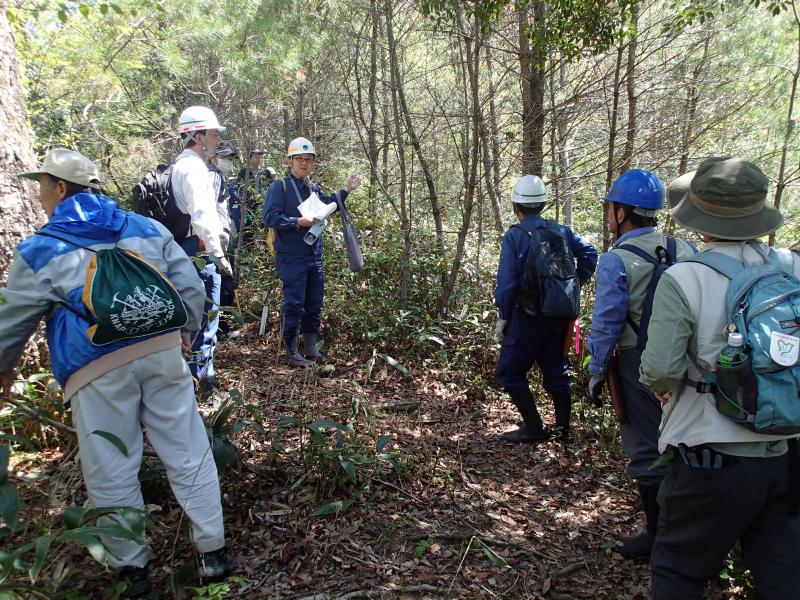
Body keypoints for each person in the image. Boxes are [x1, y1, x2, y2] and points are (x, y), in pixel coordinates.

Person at [0, 148, 235, 597]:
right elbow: (188, 285)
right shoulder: (145, 227)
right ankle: (213, 553)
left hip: (95, 367)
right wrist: (184, 329)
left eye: (44, 184)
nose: (41, 193)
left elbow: (11, 324)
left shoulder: (39, 248)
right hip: (162, 351)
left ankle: (132, 571)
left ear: (61, 187)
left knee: (112, 464)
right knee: (187, 448)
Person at [639, 157, 800, 599]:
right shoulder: (790, 266)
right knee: (784, 573)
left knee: (679, 569)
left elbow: (659, 370)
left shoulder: (684, 277)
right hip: (785, 450)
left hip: (710, 456)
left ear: (700, 218)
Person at [586, 169, 695, 559]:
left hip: (636, 364)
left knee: (647, 449)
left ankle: (657, 537)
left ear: (620, 212)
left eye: (611, 208)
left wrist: (596, 373)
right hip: (689, 363)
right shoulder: (685, 250)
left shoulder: (617, 260)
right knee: (686, 442)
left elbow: (607, 323)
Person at [495, 175, 598, 443]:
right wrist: (572, 284)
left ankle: (533, 427)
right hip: (559, 315)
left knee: (509, 370)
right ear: (542, 204)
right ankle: (563, 430)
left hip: (527, 316)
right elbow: (590, 253)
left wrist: (503, 317)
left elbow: (507, 284)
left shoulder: (515, 236)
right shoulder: (560, 230)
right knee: (556, 368)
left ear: (516, 205)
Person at [263, 137, 360, 366]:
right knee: (294, 303)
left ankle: (309, 349)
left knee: (313, 303)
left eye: (308, 160)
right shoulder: (280, 187)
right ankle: (290, 350)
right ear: (290, 161)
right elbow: (269, 218)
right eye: (299, 159)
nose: (304, 164)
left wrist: (346, 190)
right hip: (291, 256)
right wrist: (298, 221)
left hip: (313, 255)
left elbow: (327, 206)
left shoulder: (312, 187)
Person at [171, 106, 231, 392]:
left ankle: (191, 377)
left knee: (189, 314)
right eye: (213, 134)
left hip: (180, 249)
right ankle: (202, 380)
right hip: (198, 251)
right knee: (205, 313)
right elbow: (203, 216)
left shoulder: (178, 166)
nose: (216, 139)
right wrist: (218, 255)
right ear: (197, 135)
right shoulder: (193, 168)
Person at [208, 141, 239, 339]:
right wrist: (218, 237)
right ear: (213, 156)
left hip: (219, 237)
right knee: (222, 284)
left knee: (223, 283)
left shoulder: (216, 175)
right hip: (216, 240)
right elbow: (208, 206)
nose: (227, 162)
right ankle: (220, 330)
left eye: (229, 158)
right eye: (225, 157)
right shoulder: (213, 175)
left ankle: (220, 328)